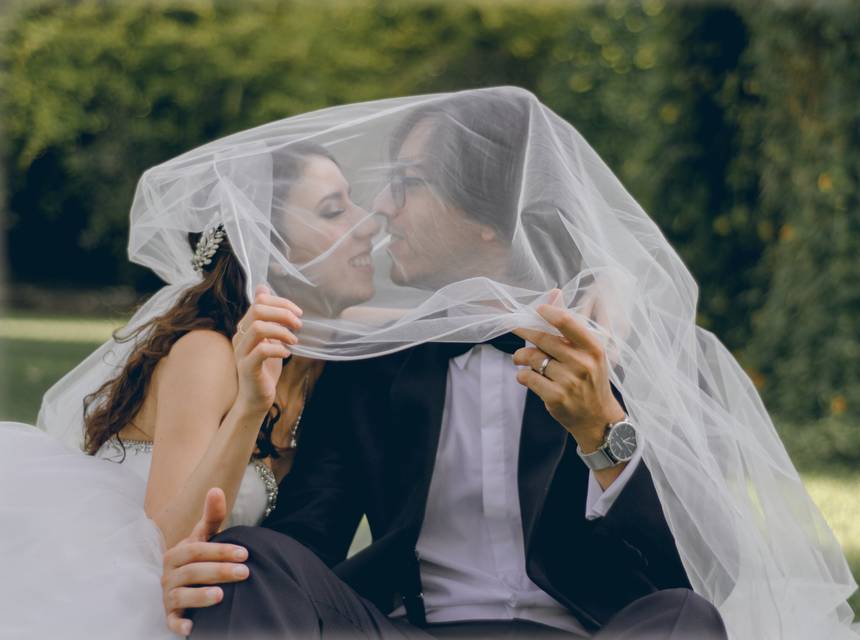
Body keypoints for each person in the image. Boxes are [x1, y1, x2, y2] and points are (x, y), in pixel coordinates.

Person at [170, 90, 729, 639]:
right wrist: (220, 568)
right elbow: (305, 540)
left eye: (407, 185)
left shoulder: (633, 354)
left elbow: (701, 574)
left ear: (489, 215)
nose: (383, 209)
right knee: (248, 561)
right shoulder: (372, 364)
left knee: (687, 617)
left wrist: (602, 432)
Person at [0, 143, 379, 639]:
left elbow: (448, 318)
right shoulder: (207, 354)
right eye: (335, 210)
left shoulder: (332, 349)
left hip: (235, 596)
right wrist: (250, 408)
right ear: (274, 253)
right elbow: (166, 543)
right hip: (126, 574)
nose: (368, 223)